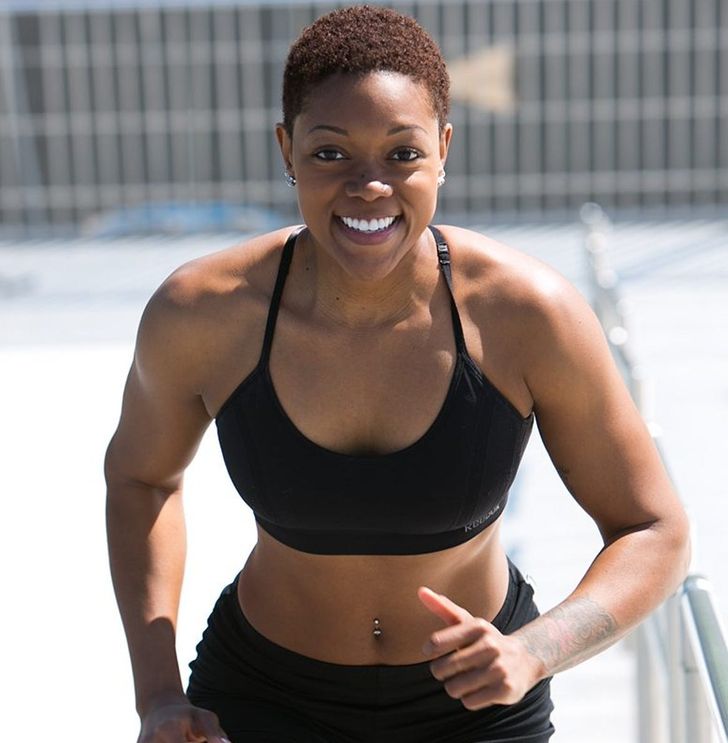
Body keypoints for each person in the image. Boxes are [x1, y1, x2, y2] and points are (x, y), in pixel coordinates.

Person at [105, 6, 690, 742]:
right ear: (287, 150)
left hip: (477, 705)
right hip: (263, 696)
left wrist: (534, 651)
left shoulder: (525, 314)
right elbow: (141, 480)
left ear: (443, 149)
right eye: (330, 153)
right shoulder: (205, 313)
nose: (369, 186)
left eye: (402, 153)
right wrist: (157, 693)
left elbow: (653, 527)